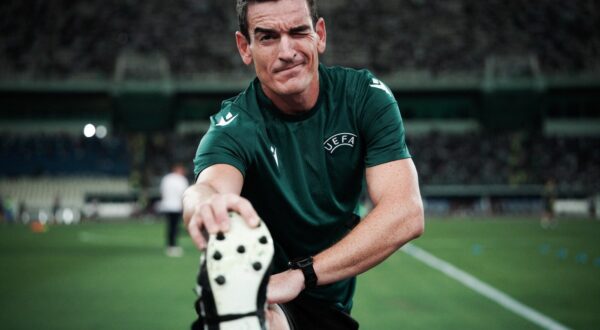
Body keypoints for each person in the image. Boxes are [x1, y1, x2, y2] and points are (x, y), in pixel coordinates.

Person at [183, 0, 424, 329]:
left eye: (298, 32)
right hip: (259, 296)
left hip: (326, 304)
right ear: (245, 47)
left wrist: (302, 274)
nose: (287, 51)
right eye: (267, 37)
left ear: (320, 35)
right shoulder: (235, 126)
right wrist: (203, 203)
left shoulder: (364, 97)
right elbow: (209, 185)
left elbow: (406, 212)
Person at [160, 163, 190, 257]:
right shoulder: (181, 179)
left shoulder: (166, 178)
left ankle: (170, 245)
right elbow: (184, 193)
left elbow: (162, 191)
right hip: (176, 206)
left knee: (170, 226)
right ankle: (173, 245)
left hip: (167, 205)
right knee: (175, 226)